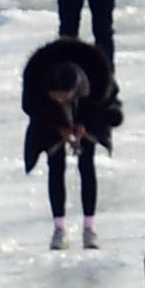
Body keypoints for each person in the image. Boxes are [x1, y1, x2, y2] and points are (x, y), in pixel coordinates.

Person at [22, 34, 117, 250]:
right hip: (49, 121)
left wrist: (85, 124)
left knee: (87, 164)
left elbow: (105, 103)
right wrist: (58, 126)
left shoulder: (97, 77)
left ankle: (89, 227)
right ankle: (59, 227)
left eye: (63, 97)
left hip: (88, 111)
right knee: (55, 165)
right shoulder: (38, 79)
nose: (60, 100)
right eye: (56, 96)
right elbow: (31, 106)